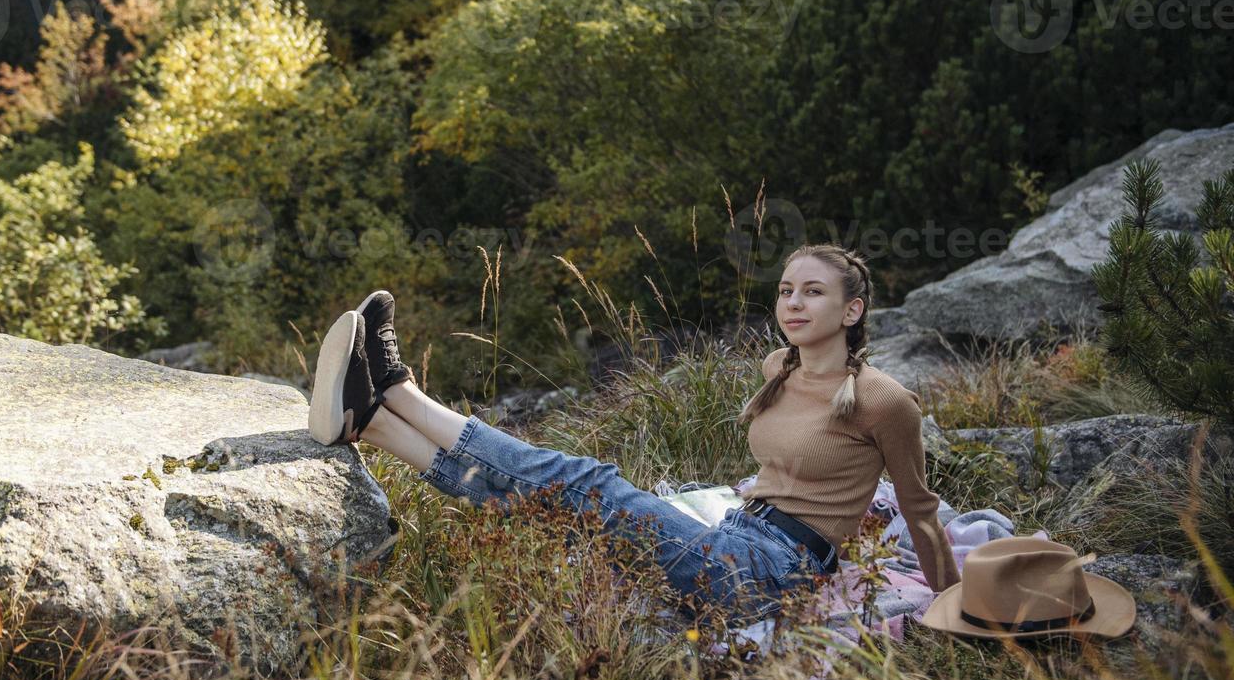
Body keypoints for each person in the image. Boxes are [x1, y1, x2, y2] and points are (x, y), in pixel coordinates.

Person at [306, 244, 961, 625]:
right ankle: (373, 425)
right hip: (735, 533)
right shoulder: (777, 370)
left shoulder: (884, 400)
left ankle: (398, 390)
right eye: (786, 289)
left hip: (770, 574)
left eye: (812, 292)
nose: (792, 303)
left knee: (589, 484)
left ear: (852, 310)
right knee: (562, 513)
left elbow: (921, 512)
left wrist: (954, 605)